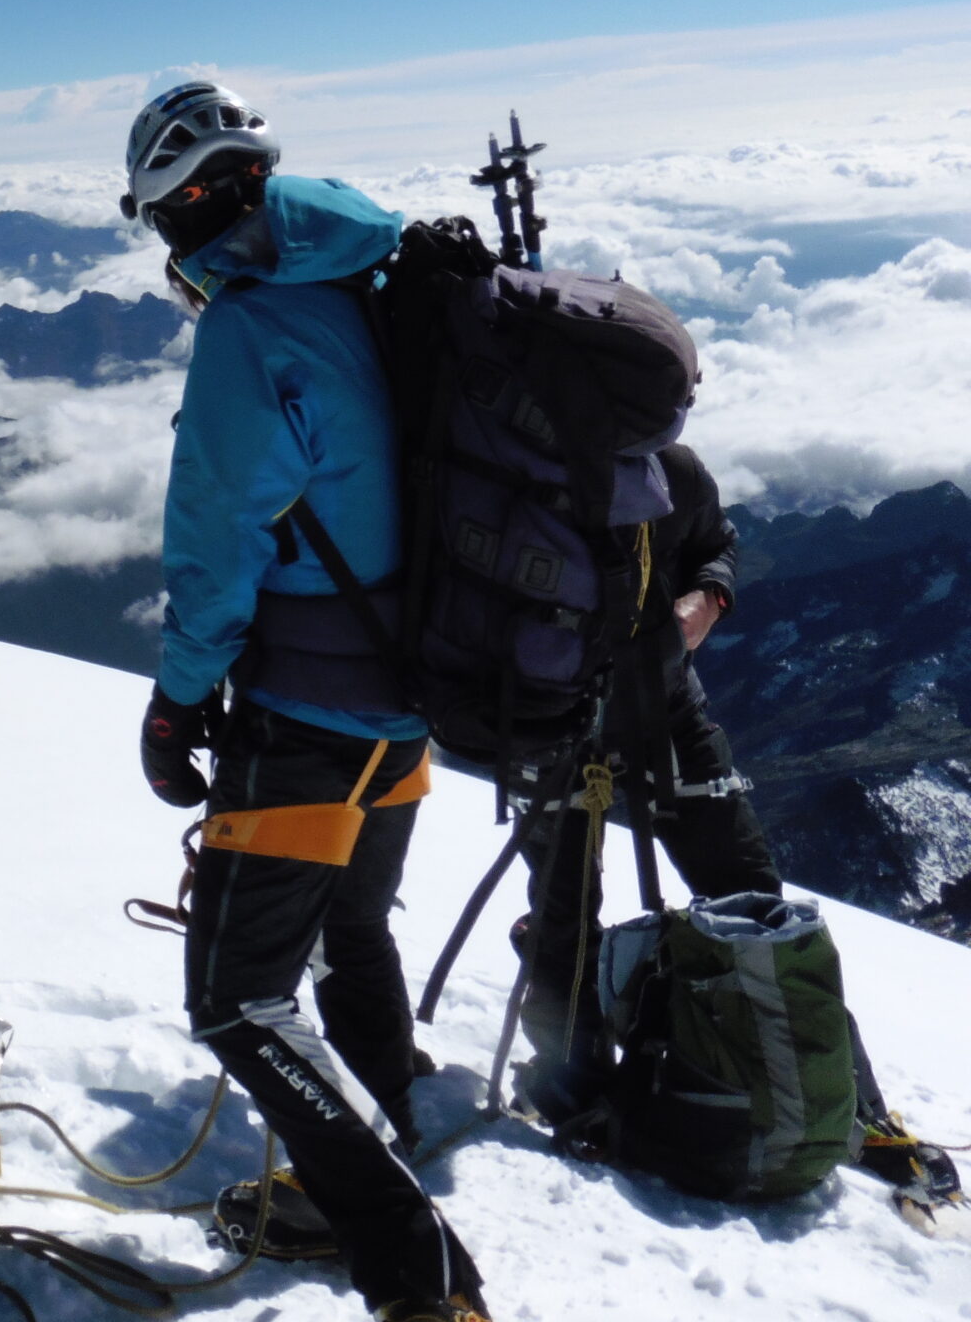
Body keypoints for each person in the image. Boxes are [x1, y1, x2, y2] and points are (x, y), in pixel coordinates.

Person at [127, 81, 489, 1322]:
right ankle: (385, 1128)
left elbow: (217, 536)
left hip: (312, 711)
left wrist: (176, 704)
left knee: (237, 998)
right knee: (353, 926)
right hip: (416, 691)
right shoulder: (377, 270)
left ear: (182, 217)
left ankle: (410, 1261)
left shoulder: (250, 327)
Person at [508, 442, 962, 1211]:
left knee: (729, 903)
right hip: (569, 710)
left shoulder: (659, 470)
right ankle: (582, 1082)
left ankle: (587, 1083)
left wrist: (708, 597)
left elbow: (716, 540)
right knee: (602, 909)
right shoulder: (533, 468)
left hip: (590, 709)